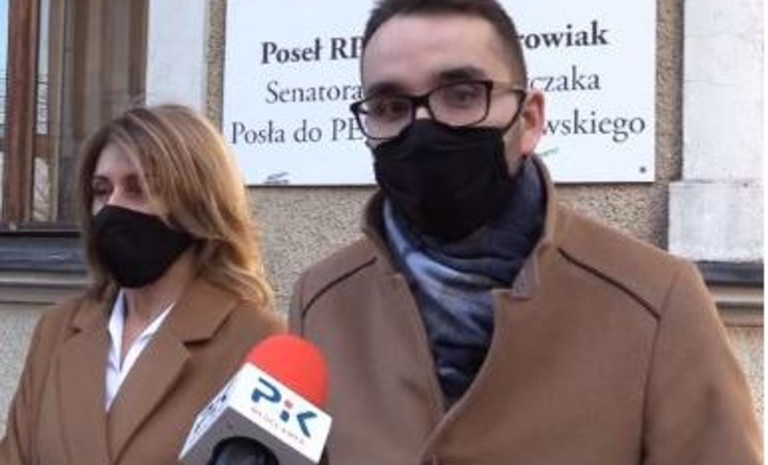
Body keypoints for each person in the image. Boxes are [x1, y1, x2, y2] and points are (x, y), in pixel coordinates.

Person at [288, 0, 762, 464]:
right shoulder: (323, 303)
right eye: (391, 106)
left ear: (530, 118)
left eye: (462, 95)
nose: (424, 127)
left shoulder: (656, 300)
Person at [0, 104, 285, 465]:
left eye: (138, 188)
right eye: (102, 190)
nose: (112, 207)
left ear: (196, 204)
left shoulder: (258, 341)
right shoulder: (58, 329)